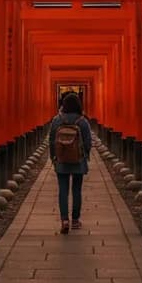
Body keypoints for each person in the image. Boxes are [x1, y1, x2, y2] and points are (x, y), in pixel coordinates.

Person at [48, 92, 92, 234]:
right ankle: (75, 220)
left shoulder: (57, 120)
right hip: (78, 159)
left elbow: (51, 140)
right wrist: (85, 155)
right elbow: (88, 142)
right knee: (77, 190)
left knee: (63, 189)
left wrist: (53, 156)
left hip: (61, 159)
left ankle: (64, 220)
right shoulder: (82, 121)